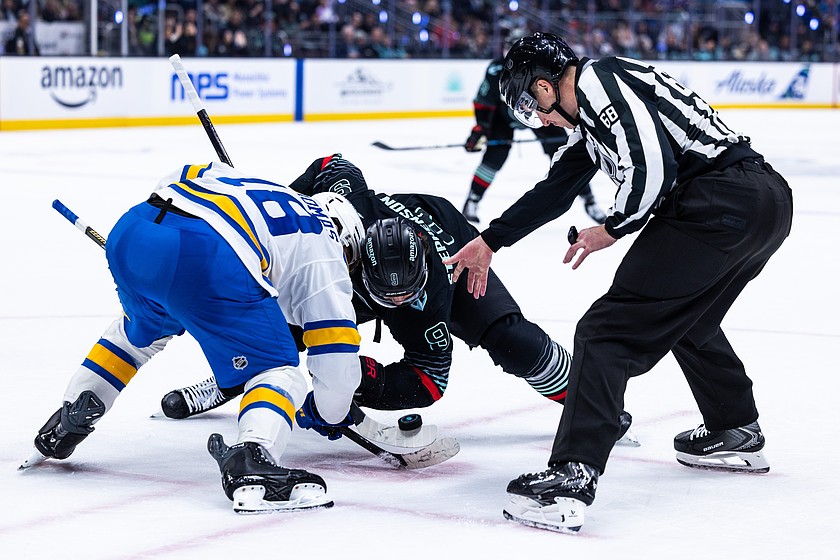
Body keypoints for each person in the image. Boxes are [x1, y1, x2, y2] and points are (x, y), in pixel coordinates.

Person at [444, 32, 793, 532]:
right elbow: (556, 190)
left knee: (605, 332)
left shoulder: (598, 81)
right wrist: (490, 241)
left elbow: (653, 167)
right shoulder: (593, 116)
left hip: (719, 202)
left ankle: (572, 475)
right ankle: (734, 428)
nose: (539, 119)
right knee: (689, 319)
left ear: (544, 87)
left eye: (531, 105)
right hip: (763, 202)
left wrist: (611, 227)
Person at [160, 154, 633, 444]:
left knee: (513, 340)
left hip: (453, 249)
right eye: (385, 295)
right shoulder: (350, 218)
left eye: (401, 296)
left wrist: (357, 384)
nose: (392, 301)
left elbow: (430, 382)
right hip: (354, 268)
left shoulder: (432, 294)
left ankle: (590, 400)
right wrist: (289, 204)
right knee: (275, 331)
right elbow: (333, 165)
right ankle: (228, 379)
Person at [22, 162, 362, 514]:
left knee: (136, 336)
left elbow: (184, 173)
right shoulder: (328, 250)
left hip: (135, 229)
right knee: (277, 370)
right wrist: (326, 412)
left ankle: (70, 416)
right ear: (347, 238)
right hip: (206, 254)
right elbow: (335, 374)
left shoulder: (268, 186)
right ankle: (254, 459)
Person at [462, 54, 605, 225]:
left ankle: (589, 200)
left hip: (541, 109)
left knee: (568, 153)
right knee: (495, 156)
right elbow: (483, 101)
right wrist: (481, 128)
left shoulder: (538, 63)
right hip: (505, 118)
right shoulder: (496, 69)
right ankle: (473, 200)